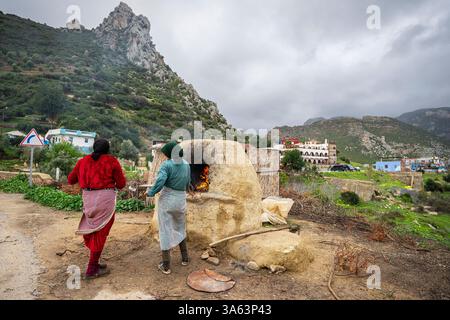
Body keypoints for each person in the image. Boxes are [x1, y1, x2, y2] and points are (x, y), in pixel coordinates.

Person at [68, 139, 126, 280]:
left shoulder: (82, 161)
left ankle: (95, 261)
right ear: (108, 149)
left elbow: (70, 179)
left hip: (88, 198)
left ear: (93, 148)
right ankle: (92, 269)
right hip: (105, 199)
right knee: (101, 232)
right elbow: (121, 184)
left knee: (91, 228)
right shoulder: (112, 161)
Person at [147, 141, 191, 275]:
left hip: (168, 200)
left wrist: (151, 192)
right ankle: (185, 258)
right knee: (180, 227)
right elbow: (188, 182)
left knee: (165, 230)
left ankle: (166, 265)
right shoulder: (186, 165)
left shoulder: (167, 165)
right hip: (181, 199)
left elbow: (160, 181)